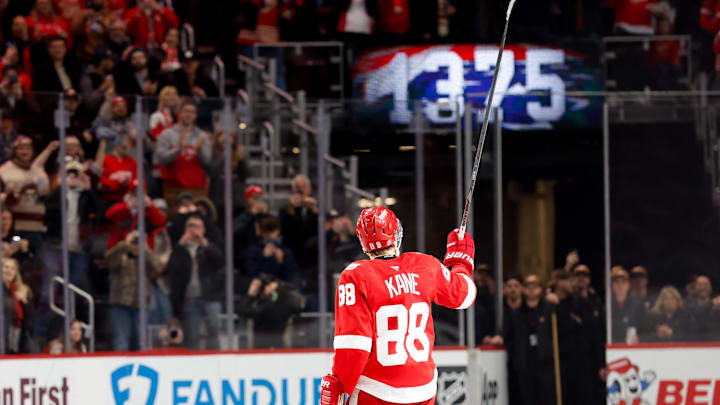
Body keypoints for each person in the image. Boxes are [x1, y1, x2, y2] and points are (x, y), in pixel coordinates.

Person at [319, 206, 476, 405]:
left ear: (363, 242)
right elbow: (464, 296)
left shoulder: (355, 276)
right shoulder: (426, 265)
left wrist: (340, 386)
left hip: (375, 391)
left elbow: (354, 347)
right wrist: (460, 261)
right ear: (397, 233)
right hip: (423, 391)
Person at [167, 214, 224, 349]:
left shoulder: (208, 246)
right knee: (192, 334)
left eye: (197, 226)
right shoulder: (181, 249)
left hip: (210, 295)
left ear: (203, 229)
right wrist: (180, 244)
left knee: (214, 329)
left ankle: (216, 358)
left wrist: (204, 243)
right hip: (190, 297)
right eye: (191, 226)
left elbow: (220, 261)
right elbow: (172, 268)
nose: (194, 230)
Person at [105, 230, 163, 351]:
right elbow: (108, 260)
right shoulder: (121, 255)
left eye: (138, 242)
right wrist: (124, 245)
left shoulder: (145, 258)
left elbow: (159, 268)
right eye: (134, 242)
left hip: (140, 305)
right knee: (121, 341)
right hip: (120, 303)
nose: (136, 245)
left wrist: (146, 250)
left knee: (141, 342)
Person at [504, 274, 556, 405]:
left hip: (546, 365)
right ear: (524, 289)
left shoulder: (549, 310)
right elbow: (510, 338)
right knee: (527, 399)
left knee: (546, 399)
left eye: (535, 287)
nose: (532, 290)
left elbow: (556, 336)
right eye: (528, 287)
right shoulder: (517, 314)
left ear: (541, 289)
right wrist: (517, 360)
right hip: (525, 365)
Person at [153, 100, 212, 211]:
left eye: (192, 112)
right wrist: (178, 150)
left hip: (197, 188)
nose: (188, 114)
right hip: (173, 188)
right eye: (186, 111)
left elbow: (207, 161)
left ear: (195, 115)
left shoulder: (202, 136)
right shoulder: (167, 134)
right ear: (179, 113)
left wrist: (199, 150)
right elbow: (159, 158)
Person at [247, 215, 299, 285]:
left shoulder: (285, 251)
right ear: (261, 232)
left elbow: (291, 275)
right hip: (261, 287)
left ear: (277, 231)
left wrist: (281, 261)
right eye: (266, 232)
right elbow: (252, 274)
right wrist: (264, 257)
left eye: (273, 231)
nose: (270, 235)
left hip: (281, 288)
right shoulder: (254, 250)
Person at [2, 257, 35, 353]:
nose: (9, 270)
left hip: (19, 335)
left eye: (12, 268)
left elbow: (31, 316)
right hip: (3, 335)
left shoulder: (21, 289)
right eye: (6, 267)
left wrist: (24, 301)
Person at [610, 266, 643, 343]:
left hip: (631, 350)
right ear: (612, 286)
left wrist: (640, 339)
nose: (620, 285)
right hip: (612, 349)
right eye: (616, 282)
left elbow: (646, 330)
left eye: (623, 282)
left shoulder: (637, 306)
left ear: (628, 285)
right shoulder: (607, 308)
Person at [686, 275, 720, 341]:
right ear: (695, 287)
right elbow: (698, 316)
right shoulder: (688, 306)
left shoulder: (718, 306)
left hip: (715, 346)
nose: (703, 287)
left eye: (706, 284)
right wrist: (711, 303)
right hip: (694, 346)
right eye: (700, 284)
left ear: (710, 287)